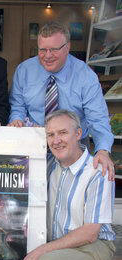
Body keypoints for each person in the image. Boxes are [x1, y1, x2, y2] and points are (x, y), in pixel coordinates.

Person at [22, 110, 115, 260]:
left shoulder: (98, 171)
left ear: (78, 134)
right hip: (61, 244)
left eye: (63, 133)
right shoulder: (47, 165)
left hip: (95, 245)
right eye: (51, 134)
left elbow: (90, 233)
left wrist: (41, 250)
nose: (56, 140)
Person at [8, 21, 115, 180]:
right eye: (43, 50)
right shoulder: (24, 70)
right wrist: (16, 120)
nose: (48, 55)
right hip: (34, 141)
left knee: (69, 196)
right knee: (35, 196)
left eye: (54, 49)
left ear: (67, 47)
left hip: (74, 145)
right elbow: (17, 106)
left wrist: (103, 150)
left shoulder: (85, 76)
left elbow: (98, 118)